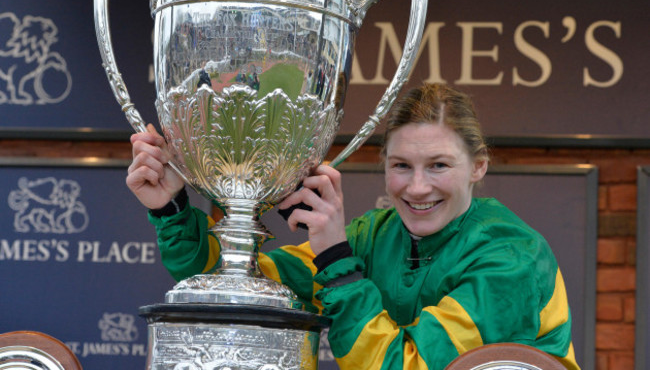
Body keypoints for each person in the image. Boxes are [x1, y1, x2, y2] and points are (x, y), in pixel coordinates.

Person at [127, 83, 580, 370]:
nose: (417, 187)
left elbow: (402, 367)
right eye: (402, 165)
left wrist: (336, 263)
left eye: (439, 165)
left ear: (478, 167)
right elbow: (237, 283)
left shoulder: (512, 256)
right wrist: (171, 207)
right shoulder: (373, 234)